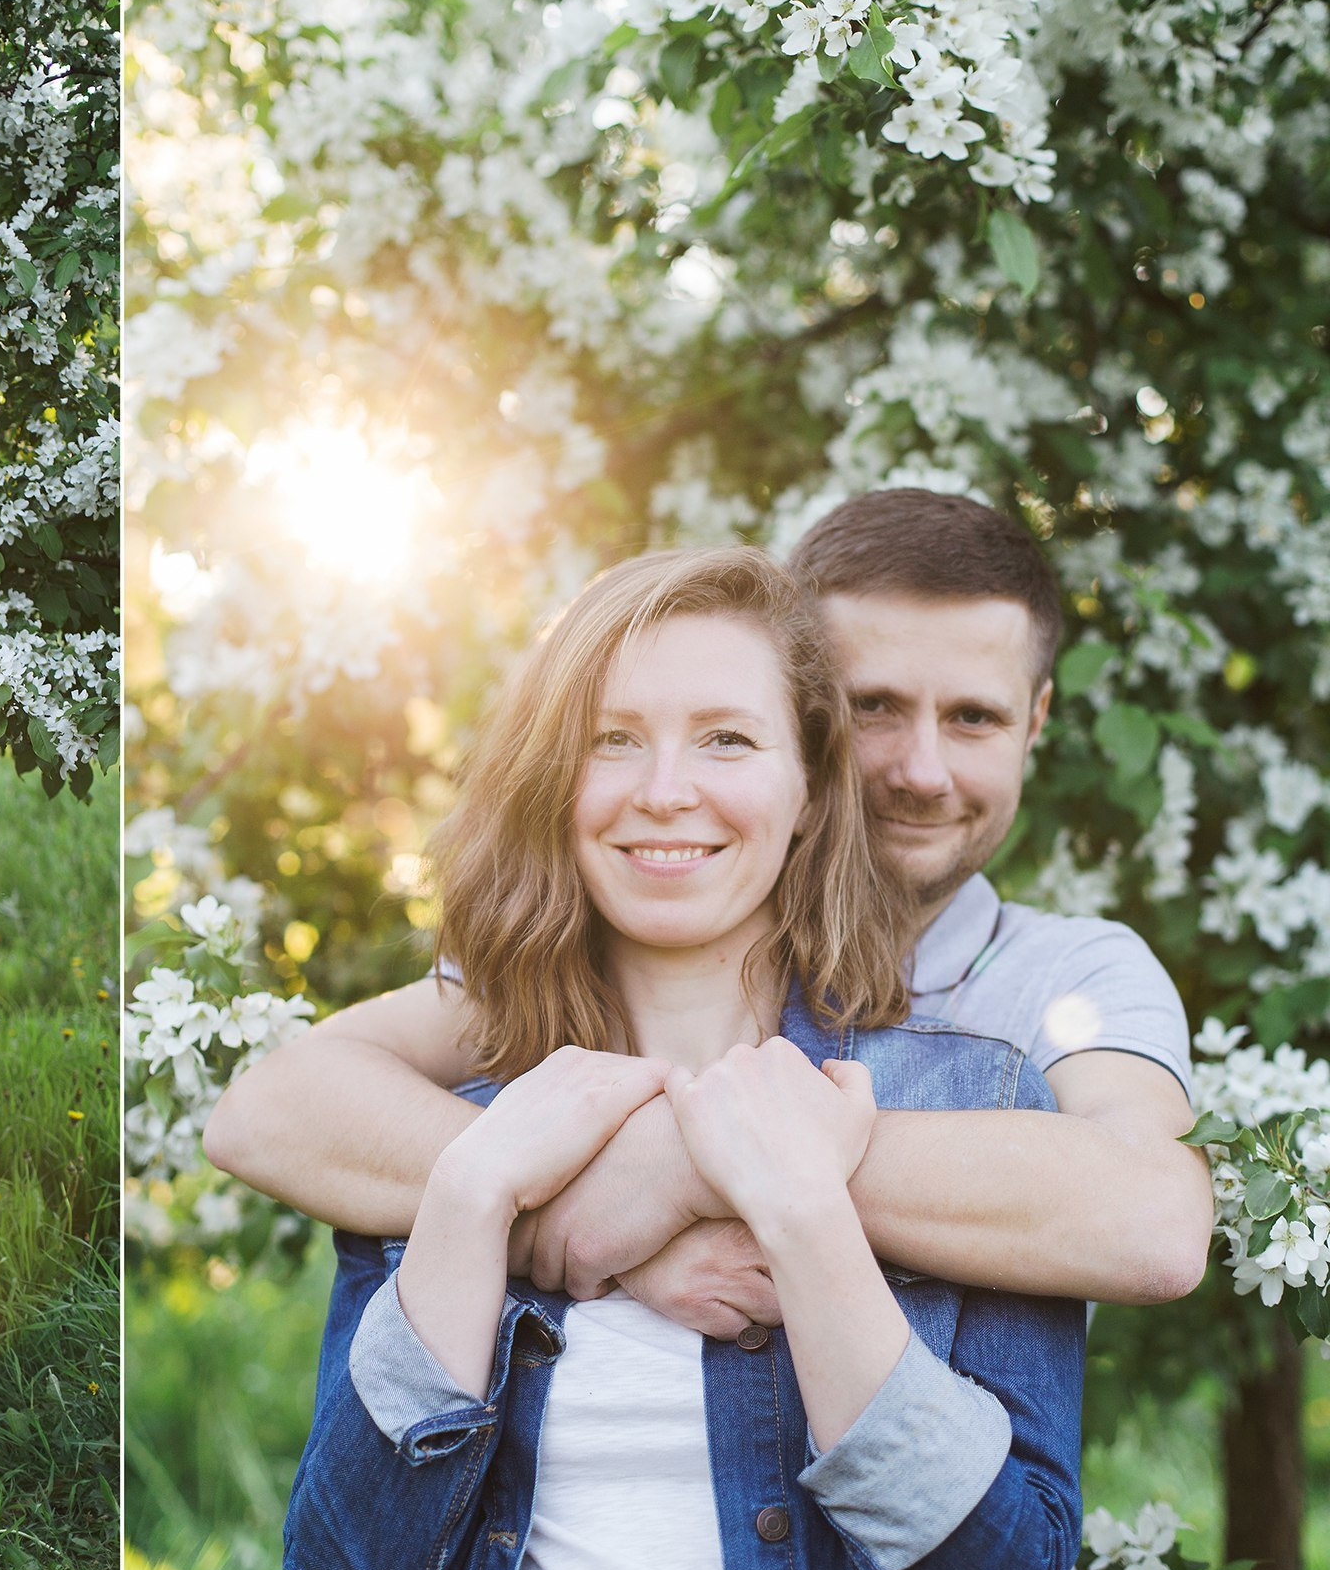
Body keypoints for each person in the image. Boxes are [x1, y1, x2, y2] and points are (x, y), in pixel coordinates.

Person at [280, 545, 1085, 1570]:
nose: (664, 789)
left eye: (726, 739)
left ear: (812, 791)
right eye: (613, 739)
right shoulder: (454, 1127)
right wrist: (474, 1195)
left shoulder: (977, 1099)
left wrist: (804, 1219)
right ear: (556, 783)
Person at [206, 489, 1211, 1332]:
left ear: (1035, 721)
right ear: (803, 718)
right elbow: (275, 1113)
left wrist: (689, 1165)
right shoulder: (637, 942)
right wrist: (576, 1202)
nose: (921, 769)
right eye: (873, 707)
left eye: (974, 718)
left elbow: (1153, 1220)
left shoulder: (1069, 974)